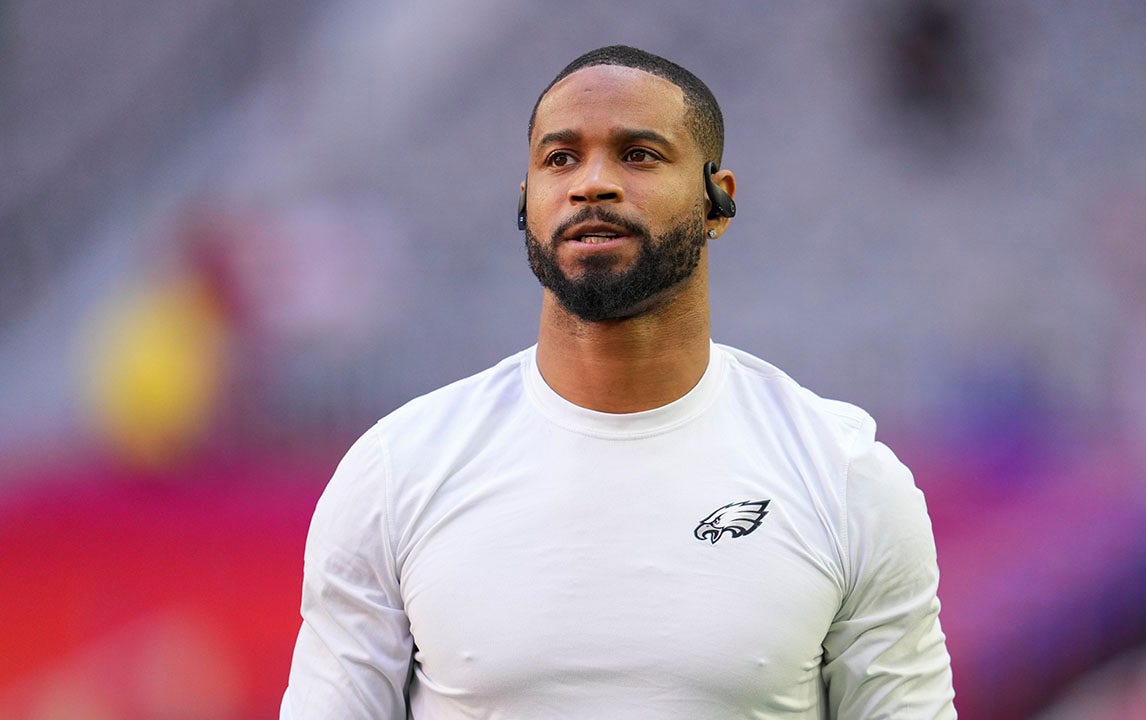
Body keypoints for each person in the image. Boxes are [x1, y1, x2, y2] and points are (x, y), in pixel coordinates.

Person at [281, 45, 956, 719]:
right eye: (560, 158)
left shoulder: (846, 480)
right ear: (526, 203)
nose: (591, 183)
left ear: (717, 201)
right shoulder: (397, 473)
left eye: (639, 154)